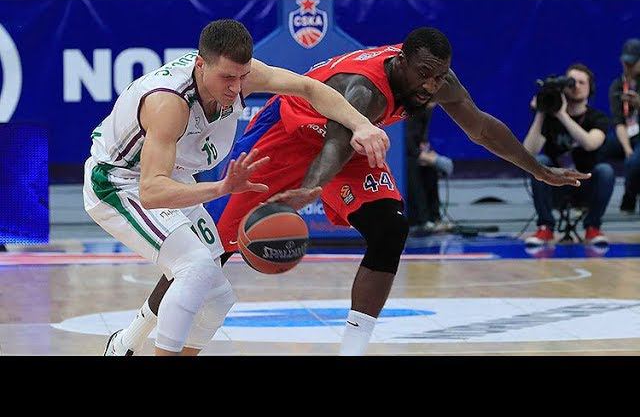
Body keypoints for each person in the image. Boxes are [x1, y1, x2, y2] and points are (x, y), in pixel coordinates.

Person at [110, 27, 590, 356]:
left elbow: (481, 128)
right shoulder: (366, 89)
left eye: (438, 75)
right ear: (401, 61)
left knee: (390, 229)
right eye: (423, 73)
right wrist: (310, 189)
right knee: (210, 251)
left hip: (352, 143)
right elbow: (334, 143)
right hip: (288, 135)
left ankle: (353, 348)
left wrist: (540, 170)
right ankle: (133, 335)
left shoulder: (437, 81)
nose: (430, 85)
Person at [85, 19, 390, 356]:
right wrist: (223, 187)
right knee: (195, 266)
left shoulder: (241, 76)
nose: (235, 88)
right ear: (201, 65)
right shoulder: (168, 104)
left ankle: (123, 345)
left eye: (242, 77)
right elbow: (153, 192)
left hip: (173, 176)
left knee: (219, 298)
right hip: (119, 182)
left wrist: (361, 124)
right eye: (227, 78)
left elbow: (310, 88)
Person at [523, 63, 613, 245]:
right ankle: (545, 227)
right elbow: (528, 152)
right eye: (572, 82)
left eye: (582, 82)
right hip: (556, 183)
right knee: (539, 161)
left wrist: (562, 115)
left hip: (586, 185)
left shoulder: (598, 118)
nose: (576, 86)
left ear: (590, 88)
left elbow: (590, 144)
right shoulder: (549, 119)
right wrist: (541, 113)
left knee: (606, 171)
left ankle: (593, 227)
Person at [598, 38, 640, 214]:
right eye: (625, 62)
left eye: (632, 63)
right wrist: (626, 148)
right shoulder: (617, 85)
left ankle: (629, 197)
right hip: (626, 134)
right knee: (595, 147)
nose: (628, 67)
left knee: (634, 162)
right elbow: (618, 121)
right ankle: (583, 197)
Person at [405, 102, 454, 234]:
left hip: (416, 153)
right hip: (404, 157)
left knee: (429, 168)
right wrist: (422, 155)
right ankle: (421, 220)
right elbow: (406, 143)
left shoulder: (426, 113)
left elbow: (421, 140)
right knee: (412, 166)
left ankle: (434, 218)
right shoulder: (409, 111)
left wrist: (428, 155)